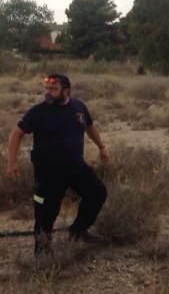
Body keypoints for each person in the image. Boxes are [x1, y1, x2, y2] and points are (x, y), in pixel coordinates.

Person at [6, 74, 109, 255]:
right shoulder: (38, 112)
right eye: (47, 89)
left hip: (76, 167)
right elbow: (16, 134)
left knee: (97, 193)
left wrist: (101, 147)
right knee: (45, 213)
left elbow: (89, 127)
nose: (48, 93)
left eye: (53, 89)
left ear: (66, 91)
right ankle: (42, 253)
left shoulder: (79, 107)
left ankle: (77, 230)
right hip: (47, 174)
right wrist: (11, 162)